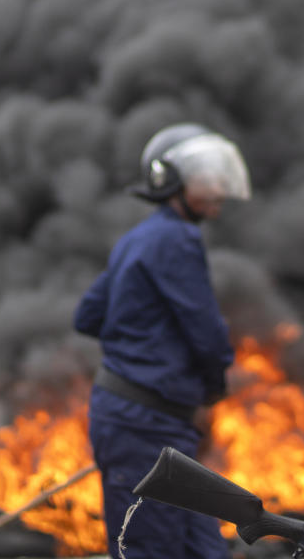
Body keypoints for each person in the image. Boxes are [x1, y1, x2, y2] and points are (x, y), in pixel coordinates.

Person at [74, 123, 251, 559]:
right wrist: (212, 390)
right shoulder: (176, 238)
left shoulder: (138, 239)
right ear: (170, 181)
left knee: (206, 549)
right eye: (208, 178)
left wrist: (142, 338)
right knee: (150, 550)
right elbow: (206, 333)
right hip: (144, 428)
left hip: (148, 425)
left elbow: (88, 315)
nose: (220, 189)